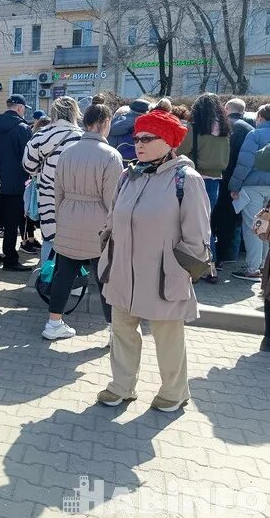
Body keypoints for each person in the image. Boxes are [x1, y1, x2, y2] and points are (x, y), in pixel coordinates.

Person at [97, 109, 210, 412]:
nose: (139, 144)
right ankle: (122, 386)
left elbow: (197, 236)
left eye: (148, 138)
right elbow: (112, 219)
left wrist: (179, 271)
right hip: (123, 272)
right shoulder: (128, 175)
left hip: (162, 275)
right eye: (137, 138)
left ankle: (174, 392)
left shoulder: (186, 179)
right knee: (121, 331)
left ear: (169, 141)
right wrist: (107, 249)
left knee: (167, 338)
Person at [44, 104, 122, 341]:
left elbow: (57, 192)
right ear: (105, 122)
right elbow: (113, 200)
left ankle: (53, 324)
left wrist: (62, 216)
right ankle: (113, 331)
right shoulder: (111, 156)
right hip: (98, 225)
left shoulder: (67, 152)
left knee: (63, 274)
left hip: (67, 217)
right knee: (105, 279)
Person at [24, 96, 84, 263]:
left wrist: (41, 170)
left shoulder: (41, 135)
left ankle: (47, 280)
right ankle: (71, 284)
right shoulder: (83, 137)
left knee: (49, 239)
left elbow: (28, 165)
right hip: (76, 197)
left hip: (48, 194)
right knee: (74, 243)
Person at [177, 93, 230, 283]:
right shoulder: (225, 130)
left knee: (194, 225)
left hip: (195, 179)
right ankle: (211, 269)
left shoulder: (195, 129)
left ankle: (198, 269)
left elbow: (180, 151)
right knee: (206, 224)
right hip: (216, 179)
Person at [0, 94, 34, 271]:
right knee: (12, 225)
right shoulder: (23, 128)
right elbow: (28, 159)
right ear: (20, 108)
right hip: (16, 184)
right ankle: (10, 259)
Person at [228, 104, 270, 282]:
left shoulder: (255, 134)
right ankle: (263, 266)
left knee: (253, 226)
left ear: (260, 116)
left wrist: (234, 186)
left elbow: (244, 163)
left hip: (253, 187)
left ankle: (252, 269)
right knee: (267, 226)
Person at [214, 99, 254, 265]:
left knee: (216, 216)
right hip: (242, 179)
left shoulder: (220, 126)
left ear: (227, 108)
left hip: (220, 175)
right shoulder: (250, 130)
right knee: (236, 219)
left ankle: (217, 256)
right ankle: (231, 255)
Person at [108, 97, 152, 163]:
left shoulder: (114, 123)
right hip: (139, 168)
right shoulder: (149, 127)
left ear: (130, 109)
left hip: (116, 166)